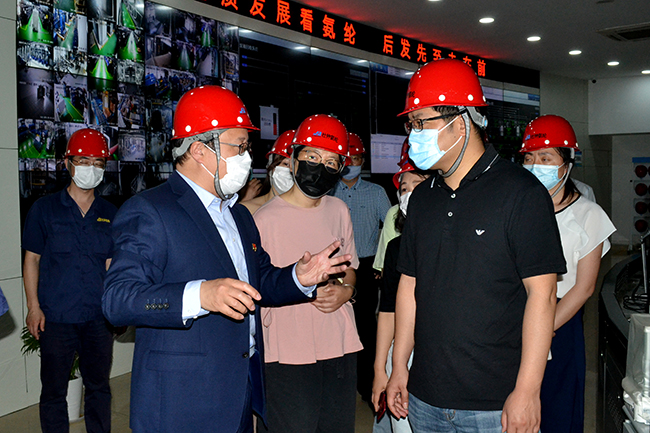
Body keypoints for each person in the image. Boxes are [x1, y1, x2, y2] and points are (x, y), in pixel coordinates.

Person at [101, 86, 352, 433]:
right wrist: (200, 295)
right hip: (182, 399)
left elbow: (259, 283)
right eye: (239, 146)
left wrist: (299, 277)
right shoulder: (151, 210)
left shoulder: (239, 215)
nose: (247, 157)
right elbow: (117, 300)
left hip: (240, 390)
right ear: (200, 150)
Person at [385, 59, 567, 433]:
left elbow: (543, 295)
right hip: (425, 395)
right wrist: (399, 365)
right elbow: (409, 286)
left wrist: (527, 390)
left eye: (421, 122)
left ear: (462, 121)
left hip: (495, 402)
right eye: (411, 124)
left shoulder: (521, 193)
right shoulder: (422, 199)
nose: (414, 135)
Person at [254, 114, 362, 433]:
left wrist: (346, 292)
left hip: (338, 340)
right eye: (312, 157)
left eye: (331, 162)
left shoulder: (339, 210)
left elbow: (350, 270)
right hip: (288, 347)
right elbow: (260, 286)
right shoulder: (264, 220)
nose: (320, 167)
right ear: (293, 159)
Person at [520, 114, 616, 433]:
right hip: (516, 314)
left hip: (560, 319)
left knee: (557, 406)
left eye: (546, 158)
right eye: (529, 158)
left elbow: (584, 287)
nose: (535, 165)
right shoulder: (518, 209)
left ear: (567, 163)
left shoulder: (589, 214)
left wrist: (542, 328)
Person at [22, 128, 116, 433]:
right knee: (53, 391)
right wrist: (34, 307)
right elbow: (32, 259)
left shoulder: (110, 213)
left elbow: (112, 264)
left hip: (98, 319)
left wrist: (117, 307)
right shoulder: (44, 209)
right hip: (56, 317)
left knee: (99, 387)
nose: (91, 168)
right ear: (67, 163)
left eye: (98, 162)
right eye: (83, 160)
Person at [331, 132, 391, 402]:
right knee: (335, 325)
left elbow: (392, 226)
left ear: (363, 160)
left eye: (356, 158)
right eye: (346, 159)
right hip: (333, 266)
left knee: (366, 326)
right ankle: (340, 385)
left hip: (366, 267)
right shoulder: (328, 192)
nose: (351, 163)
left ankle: (368, 385)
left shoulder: (376, 192)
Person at [372, 162, 429, 433]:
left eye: (417, 185)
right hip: (402, 354)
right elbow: (388, 310)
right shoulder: (396, 247)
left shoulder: (456, 240)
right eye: (404, 189)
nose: (409, 193)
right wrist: (380, 369)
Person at [241, 129, 295, 215]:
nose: (290, 170)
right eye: (286, 164)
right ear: (271, 164)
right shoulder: (248, 210)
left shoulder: (306, 213)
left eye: (295, 166)